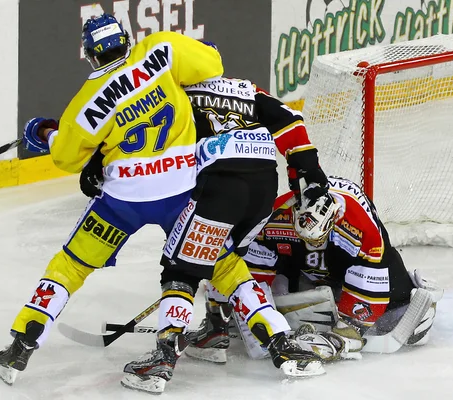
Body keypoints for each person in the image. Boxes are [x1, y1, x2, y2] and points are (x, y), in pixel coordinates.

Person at [78, 49, 331, 391]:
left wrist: (98, 159)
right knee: (225, 262)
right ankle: (262, 341)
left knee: (180, 268)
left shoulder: (175, 93)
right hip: (262, 188)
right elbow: (290, 121)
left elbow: (139, 133)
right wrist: (309, 174)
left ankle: (163, 359)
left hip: (218, 185)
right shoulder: (246, 88)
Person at [0, 14, 223, 387]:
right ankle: (251, 330)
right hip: (181, 190)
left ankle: (22, 343)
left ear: (89, 55)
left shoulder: (86, 101)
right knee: (220, 259)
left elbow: (66, 156)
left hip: (123, 202)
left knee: (69, 266)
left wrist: (46, 132)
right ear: (126, 39)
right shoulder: (161, 48)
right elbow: (212, 63)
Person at [196, 175, 443, 361]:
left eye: (315, 236)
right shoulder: (278, 214)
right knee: (279, 283)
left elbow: (371, 269)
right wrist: (244, 304)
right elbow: (257, 265)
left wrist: (348, 331)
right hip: (304, 262)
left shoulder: (360, 226)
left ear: (334, 217)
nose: (311, 241)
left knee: (397, 310)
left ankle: (408, 294)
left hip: (348, 259)